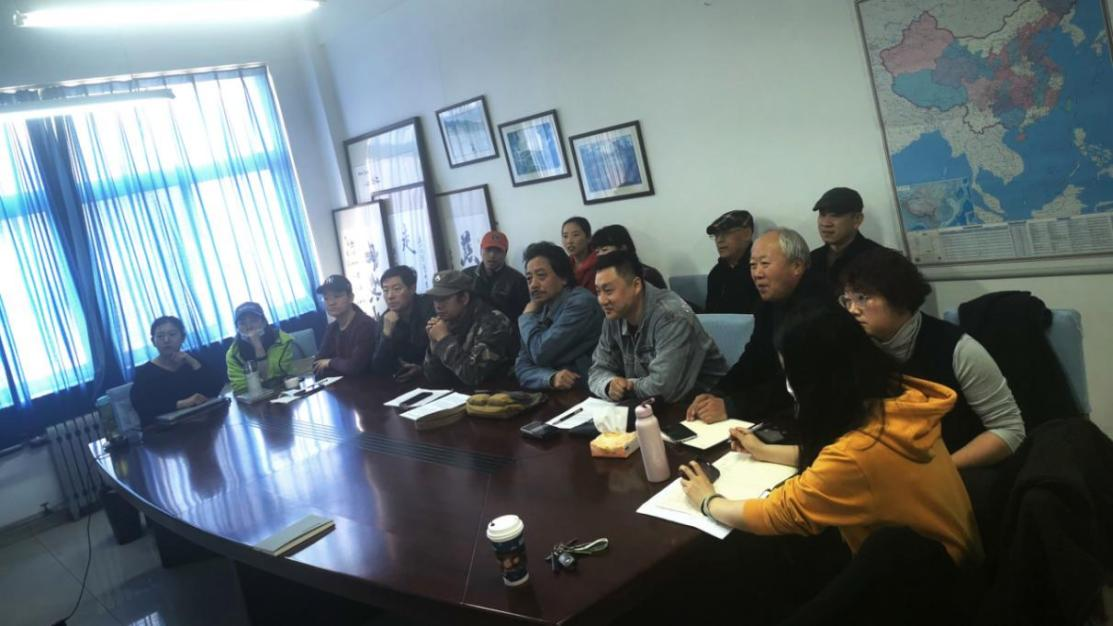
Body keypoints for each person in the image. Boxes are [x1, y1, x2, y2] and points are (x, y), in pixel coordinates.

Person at [678, 305, 982, 621]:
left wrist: (708, 501)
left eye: (790, 376)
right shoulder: (898, 404)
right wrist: (766, 451)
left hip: (925, 592)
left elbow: (780, 512)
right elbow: (849, 463)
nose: (789, 387)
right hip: (949, 558)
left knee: (759, 567)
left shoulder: (855, 455)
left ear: (815, 381)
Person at [839, 247, 1025, 468]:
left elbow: (1009, 430)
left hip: (956, 466)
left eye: (863, 298)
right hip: (885, 466)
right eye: (847, 300)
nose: (853, 310)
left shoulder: (958, 349)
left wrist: (942, 469)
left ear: (899, 297)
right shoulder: (853, 346)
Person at [687, 228, 826, 424]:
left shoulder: (820, 309)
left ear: (797, 266)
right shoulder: (769, 304)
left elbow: (798, 384)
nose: (757, 274)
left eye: (765, 264)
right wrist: (717, 393)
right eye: (753, 265)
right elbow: (754, 359)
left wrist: (731, 406)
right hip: (779, 406)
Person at [588, 250, 728, 403]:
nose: (602, 300)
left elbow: (664, 389)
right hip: (651, 405)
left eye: (608, 291)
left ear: (636, 285)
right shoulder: (614, 315)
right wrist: (609, 384)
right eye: (598, 291)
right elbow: (597, 369)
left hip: (704, 403)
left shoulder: (671, 316)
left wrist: (627, 386)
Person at [515, 242, 604, 390]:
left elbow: (541, 353)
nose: (533, 285)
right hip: (555, 392)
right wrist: (550, 378)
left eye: (541, 276)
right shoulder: (539, 308)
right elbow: (522, 367)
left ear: (563, 278)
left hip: (587, 391)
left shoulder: (581, 303)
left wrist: (527, 317)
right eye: (529, 278)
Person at [423, 270, 515, 387]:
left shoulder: (493, 322)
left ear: (464, 298)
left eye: (444, 298)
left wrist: (444, 341)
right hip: (460, 393)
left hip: (499, 392)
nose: (438, 306)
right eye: (435, 299)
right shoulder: (447, 321)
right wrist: (434, 347)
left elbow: (473, 376)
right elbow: (434, 379)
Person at [131, 316, 224, 425]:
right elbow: (143, 407)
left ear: (183, 337)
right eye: (160, 336)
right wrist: (182, 403)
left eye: (172, 334)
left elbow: (216, 386)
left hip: (205, 422)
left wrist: (193, 363)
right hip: (167, 431)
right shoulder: (144, 373)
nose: (166, 340)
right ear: (153, 341)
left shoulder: (193, 360)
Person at [808, 186, 883, 292]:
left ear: (857, 219)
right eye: (822, 215)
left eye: (835, 215)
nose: (825, 223)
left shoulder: (879, 260)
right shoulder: (812, 260)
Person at [371, 265, 435, 382]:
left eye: (396, 289)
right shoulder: (386, 319)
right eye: (385, 290)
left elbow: (440, 354)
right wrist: (386, 334)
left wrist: (422, 368)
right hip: (405, 381)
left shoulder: (430, 308)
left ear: (412, 289)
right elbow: (378, 367)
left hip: (435, 378)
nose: (390, 296)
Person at [225, 302, 298, 394]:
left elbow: (284, 376)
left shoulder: (282, 341)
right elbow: (241, 388)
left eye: (253, 320)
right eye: (242, 323)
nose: (249, 327)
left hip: (285, 391)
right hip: (254, 399)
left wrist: (258, 347)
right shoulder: (233, 355)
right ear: (237, 329)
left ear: (264, 322)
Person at [314, 274, 378, 377]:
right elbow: (317, 364)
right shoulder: (332, 328)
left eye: (337, 296)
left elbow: (355, 367)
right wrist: (340, 367)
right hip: (343, 385)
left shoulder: (366, 325)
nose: (331, 303)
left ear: (351, 297)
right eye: (326, 298)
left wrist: (330, 362)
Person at [463, 230, 530, 325]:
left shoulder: (518, 280)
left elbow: (523, 316)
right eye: (488, 250)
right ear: (481, 250)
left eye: (498, 251)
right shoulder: (466, 275)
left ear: (505, 253)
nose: (492, 255)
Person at [704, 210, 760, 314]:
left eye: (726, 233)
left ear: (747, 234)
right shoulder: (716, 274)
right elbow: (710, 314)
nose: (719, 240)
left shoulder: (759, 270)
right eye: (716, 235)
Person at [589, 224, 666, 289]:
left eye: (605, 250)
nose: (600, 255)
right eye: (597, 252)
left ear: (623, 248)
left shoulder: (648, 275)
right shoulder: (600, 275)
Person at [562, 216, 597, 294]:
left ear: (588, 238)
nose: (569, 241)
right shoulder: (564, 265)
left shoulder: (599, 263)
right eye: (565, 236)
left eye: (575, 235)